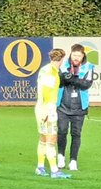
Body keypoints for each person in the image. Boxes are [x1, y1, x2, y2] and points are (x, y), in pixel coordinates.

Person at [57, 44, 94, 171]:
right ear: (71, 54)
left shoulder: (89, 67)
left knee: (76, 134)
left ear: (83, 55)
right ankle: (60, 155)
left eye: (79, 55)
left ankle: (73, 160)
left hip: (79, 107)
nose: (76, 58)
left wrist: (72, 78)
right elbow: (58, 83)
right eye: (74, 55)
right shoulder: (62, 66)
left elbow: (86, 85)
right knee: (61, 131)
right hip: (62, 105)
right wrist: (63, 78)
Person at [34, 48, 68, 178]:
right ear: (61, 59)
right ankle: (54, 170)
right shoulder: (50, 72)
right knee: (51, 139)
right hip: (47, 108)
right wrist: (47, 111)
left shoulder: (46, 69)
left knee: (43, 138)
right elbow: (46, 92)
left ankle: (40, 167)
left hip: (42, 108)